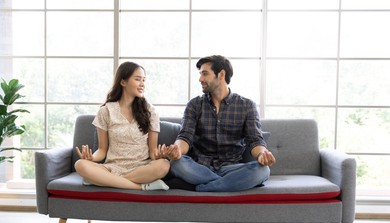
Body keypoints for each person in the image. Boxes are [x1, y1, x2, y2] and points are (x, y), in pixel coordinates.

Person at [163, 55, 275, 192]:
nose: (200, 79)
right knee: (176, 163)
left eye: (205, 74)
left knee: (263, 171)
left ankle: (201, 187)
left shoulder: (247, 105)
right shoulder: (194, 105)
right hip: (200, 167)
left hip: (232, 168)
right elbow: (185, 136)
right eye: (200, 74)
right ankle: (231, 184)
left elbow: (255, 140)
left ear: (221, 74)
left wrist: (262, 154)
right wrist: (177, 149)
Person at [74, 62, 170, 191]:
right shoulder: (106, 111)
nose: (142, 84)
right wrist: (92, 158)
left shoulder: (150, 111)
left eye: (144, 80)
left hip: (141, 168)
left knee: (163, 165)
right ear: (123, 82)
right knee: (80, 165)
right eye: (137, 79)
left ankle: (104, 180)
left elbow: (153, 151)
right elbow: (102, 150)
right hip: (113, 166)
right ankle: (142, 187)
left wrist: (159, 156)